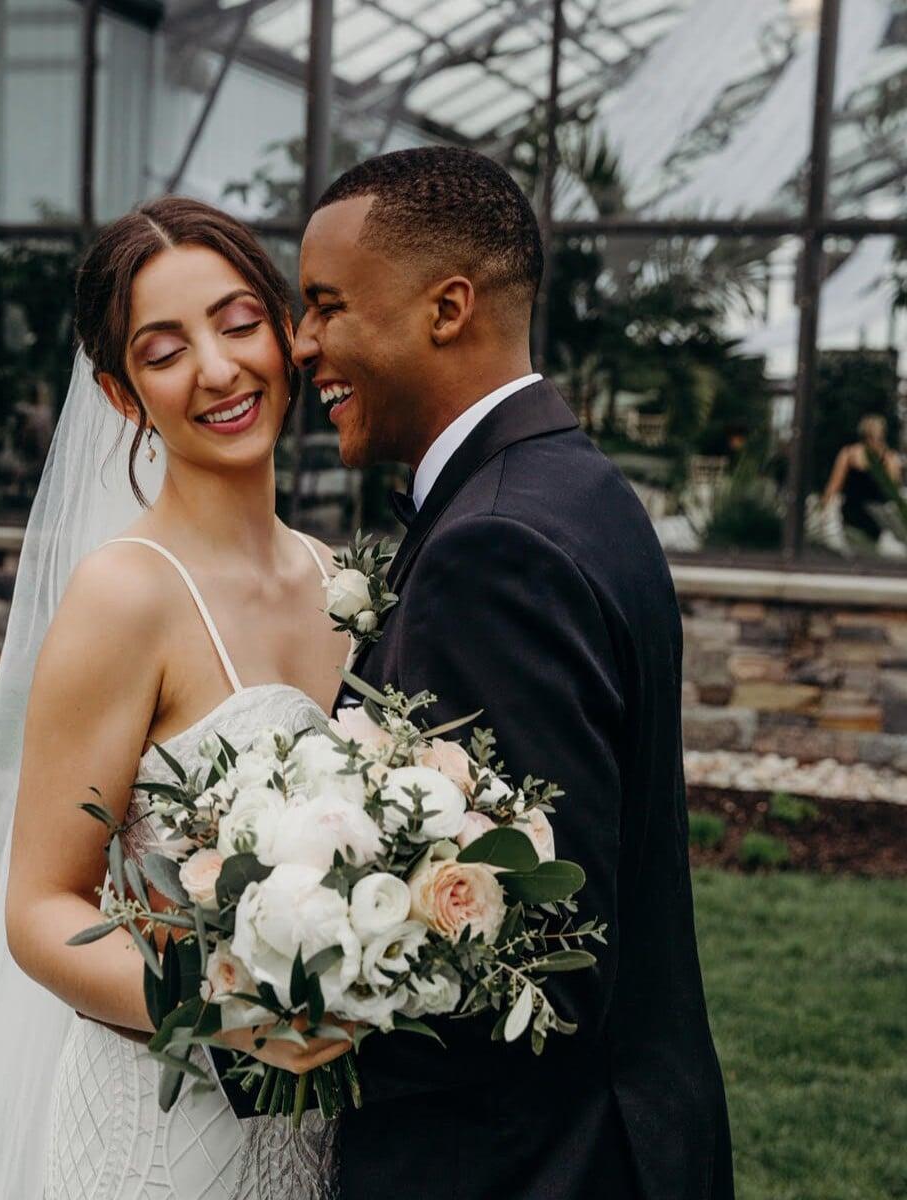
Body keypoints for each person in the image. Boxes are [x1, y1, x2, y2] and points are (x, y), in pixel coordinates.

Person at [0, 197, 349, 1200]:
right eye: (164, 352)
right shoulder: (125, 596)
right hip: (160, 1134)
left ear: (284, 334)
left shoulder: (342, 582)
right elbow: (39, 910)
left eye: (238, 323)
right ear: (123, 396)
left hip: (320, 1131)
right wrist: (225, 1007)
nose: (216, 370)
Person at [292, 147, 734, 1199]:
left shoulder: (495, 548)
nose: (301, 342)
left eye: (326, 305)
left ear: (447, 308)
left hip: (528, 1167)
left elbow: (539, 958)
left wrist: (259, 1000)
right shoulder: (571, 484)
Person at [821, 413, 902, 543]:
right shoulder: (850, 454)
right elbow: (834, 486)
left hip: (874, 516)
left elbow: (892, 492)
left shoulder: (888, 458)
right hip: (856, 513)